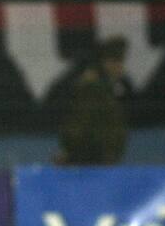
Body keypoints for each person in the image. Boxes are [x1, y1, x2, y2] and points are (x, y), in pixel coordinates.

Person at [51, 36, 133, 165]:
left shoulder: (108, 87)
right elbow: (79, 122)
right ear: (107, 63)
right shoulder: (92, 87)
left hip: (100, 160)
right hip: (91, 161)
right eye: (117, 62)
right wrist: (70, 152)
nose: (121, 68)